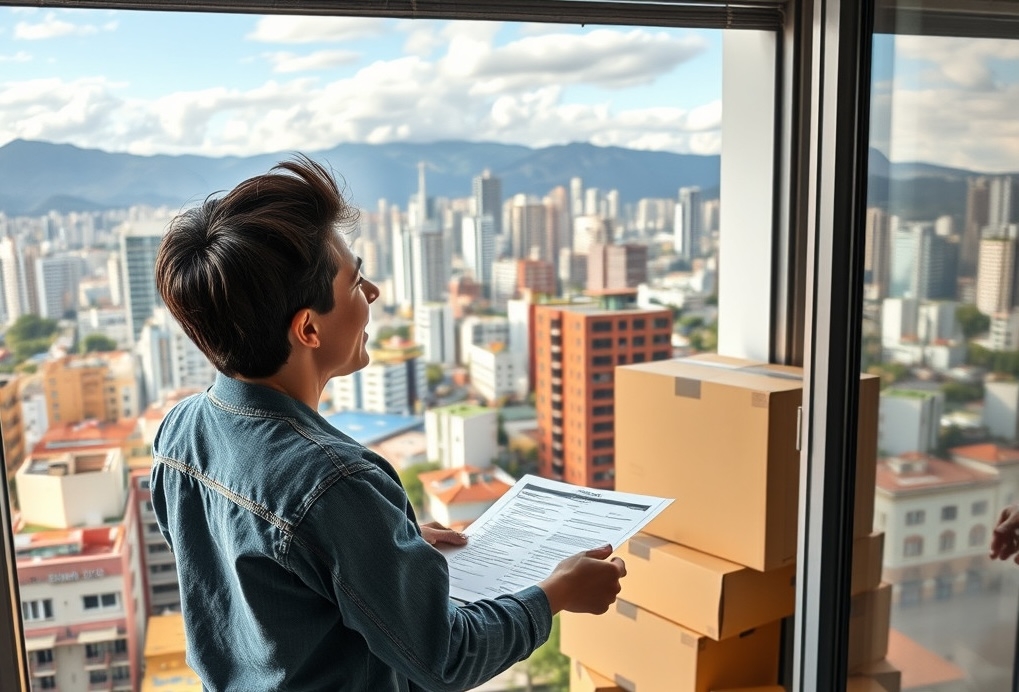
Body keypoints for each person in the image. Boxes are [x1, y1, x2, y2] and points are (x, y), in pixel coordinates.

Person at [150, 155, 626, 692]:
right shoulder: (335, 482)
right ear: (307, 328)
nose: (371, 293)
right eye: (355, 283)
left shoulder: (179, 432)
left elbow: (249, 579)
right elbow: (447, 658)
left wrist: (376, 546)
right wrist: (556, 594)